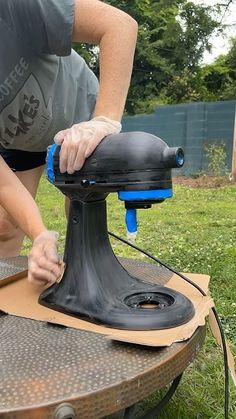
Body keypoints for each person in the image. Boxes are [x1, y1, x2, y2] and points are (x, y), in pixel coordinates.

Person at [0, 0, 138, 286]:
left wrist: (104, 121)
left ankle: (83, 279)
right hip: (19, 139)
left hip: (77, 115)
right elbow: (3, 184)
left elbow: (119, 26)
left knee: (80, 209)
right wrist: (40, 236)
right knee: (4, 226)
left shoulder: (14, 7)